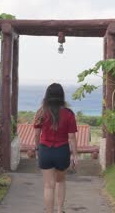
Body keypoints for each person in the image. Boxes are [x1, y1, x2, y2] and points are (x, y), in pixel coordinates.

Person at [34, 83, 78, 213]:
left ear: (47, 96)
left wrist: (37, 150)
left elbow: (36, 135)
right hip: (62, 151)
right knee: (60, 181)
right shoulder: (69, 114)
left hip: (45, 151)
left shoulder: (41, 112)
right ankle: (60, 210)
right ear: (61, 96)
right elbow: (72, 137)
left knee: (48, 186)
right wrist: (75, 155)